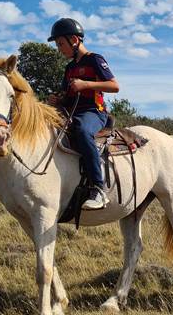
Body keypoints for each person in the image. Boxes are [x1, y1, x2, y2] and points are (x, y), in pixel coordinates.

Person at [47, 17, 120, 210]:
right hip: (72, 112)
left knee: (81, 130)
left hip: (94, 112)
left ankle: (99, 188)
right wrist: (58, 99)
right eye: (57, 45)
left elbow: (114, 86)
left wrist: (86, 84)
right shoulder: (69, 68)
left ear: (74, 40)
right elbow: (67, 95)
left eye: (60, 44)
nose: (59, 48)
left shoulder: (95, 59)